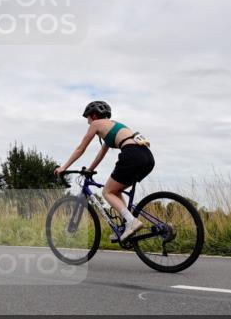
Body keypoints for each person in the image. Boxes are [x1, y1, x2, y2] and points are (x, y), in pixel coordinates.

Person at [53, 101, 155, 242]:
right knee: (116, 190)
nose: (88, 123)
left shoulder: (96, 124)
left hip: (131, 155)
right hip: (147, 157)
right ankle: (126, 225)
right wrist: (89, 169)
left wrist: (63, 167)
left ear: (94, 115)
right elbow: (101, 154)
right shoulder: (113, 126)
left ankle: (132, 222)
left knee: (107, 192)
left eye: (88, 118)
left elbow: (80, 149)